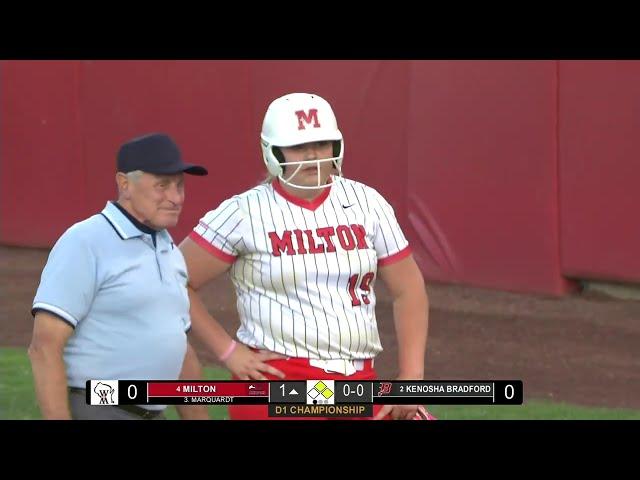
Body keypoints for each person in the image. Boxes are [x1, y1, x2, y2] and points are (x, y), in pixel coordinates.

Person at [180, 93, 435, 420]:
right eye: (299, 147)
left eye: (321, 144)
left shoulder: (367, 202)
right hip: (281, 380)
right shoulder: (243, 212)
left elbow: (409, 289)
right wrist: (228, 351)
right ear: (273, 152)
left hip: (357, 378)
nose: (313, 156)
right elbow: (175, 280)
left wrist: (411, 379)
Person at [29, 132, 210, 420]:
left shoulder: (168, 250)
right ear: (125, 184)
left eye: (179, 185)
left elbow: (180, 348)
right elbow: (44, 345)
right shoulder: (86, 241)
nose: (176, 198)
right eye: (162, 185)